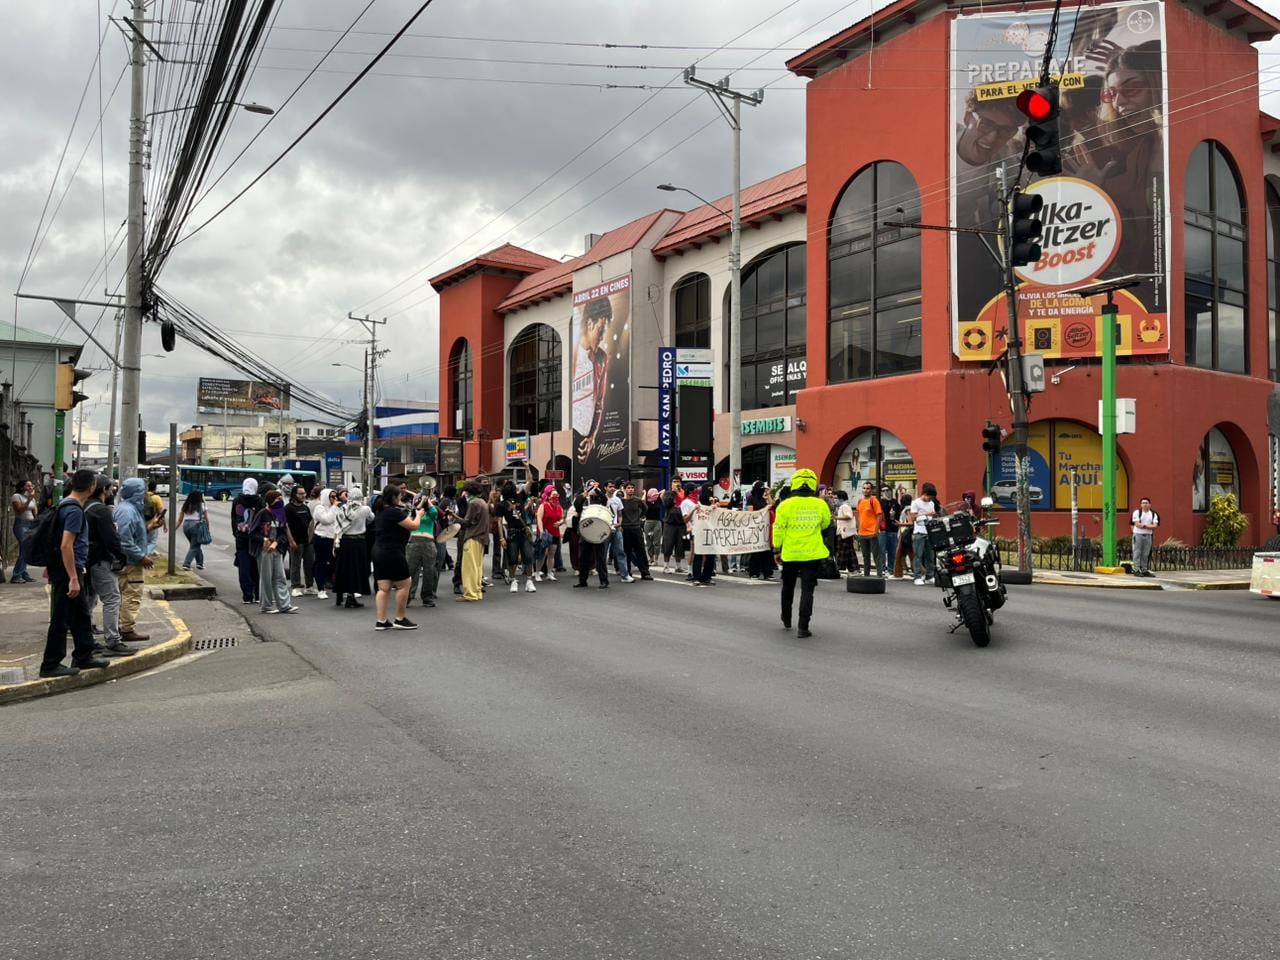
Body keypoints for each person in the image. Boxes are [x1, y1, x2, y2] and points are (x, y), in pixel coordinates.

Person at [38, 469, 109, 677]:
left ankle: (84, 655)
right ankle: (50, 664)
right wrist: (73, 578)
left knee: (80, 614)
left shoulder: (66, 505)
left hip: (68, 568)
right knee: (61, 617)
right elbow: (66, 546)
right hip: (67, 570)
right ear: (92, 487)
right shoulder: (74, 511)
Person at [772, 469, 832, 639]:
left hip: (790, 553)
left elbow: (778, 528)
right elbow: (825, 524)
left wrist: (777, 549)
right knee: (808, 589)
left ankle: (786, 618)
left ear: (795, 483)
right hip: (812, 554)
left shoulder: (785, 505)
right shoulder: (820, 504)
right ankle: (803, 627)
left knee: (788, 586)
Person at [83, 476, 133, 657]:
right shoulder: (101, 511)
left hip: (87, 561)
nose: (112, 492)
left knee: (89, 600)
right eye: (110, 488)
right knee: (112, 599)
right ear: (103, 489)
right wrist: (121, 558)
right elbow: (111, 539)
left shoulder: (86, 507)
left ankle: (86, 639)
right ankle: (113, 641)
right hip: (101, 561)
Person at [371, 485, 423, 630]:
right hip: (392, 551)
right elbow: (413, 526)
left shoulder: (381, 511)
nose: (401, 498)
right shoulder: (393, 512)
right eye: (399, 495)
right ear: (394, 497)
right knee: (405, 584)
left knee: (384, 587)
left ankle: (381, 621)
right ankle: (400, 618)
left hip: (378, 550)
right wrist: (419, 515)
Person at [113, 477, 154, 643]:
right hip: (131, 562)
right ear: (137, 493)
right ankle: (126, 629)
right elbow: (125, 541)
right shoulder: (128, 511)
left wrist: (150, 527)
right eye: (143, 491)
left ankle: (122, 625)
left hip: (128, 560)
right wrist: (141, 556)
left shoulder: (126, 508)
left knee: (125, 594)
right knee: (132, 594)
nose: (146, 494)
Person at [251, 488, 297, 615]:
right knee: (266, 577)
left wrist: (276, 543)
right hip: (264, 550)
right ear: (270, 501)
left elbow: (283, 532)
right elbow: (253, 532)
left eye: (281, 498)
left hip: (277, 549)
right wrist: (264, 540)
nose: (280, 501)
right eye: (277, 499)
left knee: (280, 577)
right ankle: (266, 605)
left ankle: (284, 605)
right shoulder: (262, 514)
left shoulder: (281, 514)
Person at [332, 487, 373, 609]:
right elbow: (372, 518)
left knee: (343, 568)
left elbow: (338, 525)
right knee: (356, 570)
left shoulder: (343, 509)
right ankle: (351, 597)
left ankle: (339, 595)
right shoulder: (365, 509)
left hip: (344, 542)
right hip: (358, 542)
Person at [405, 491, 441, 608]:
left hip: (428, 542)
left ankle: (427, 598)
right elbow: (412, 515)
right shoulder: (415, 512)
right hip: (414, 541)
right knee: (411, 571)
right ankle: (407, 597)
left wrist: (428, 501)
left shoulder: (431, 513)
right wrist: (420, 502)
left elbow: (435, 513)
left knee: (429, 571)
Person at [573, 480, 611, 589]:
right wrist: (586, 492)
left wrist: (597, 489)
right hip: (585, 532)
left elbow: (604, 499)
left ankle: (604, 581)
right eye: (590, 487)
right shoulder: (583, 499)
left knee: (600, 558)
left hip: (598, 531)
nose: (592, 489)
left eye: (593, 487)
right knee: (583, 558)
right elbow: (577, 505)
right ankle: (582, 580)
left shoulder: (600, 499)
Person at [456, 480, 490, 601]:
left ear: (468, 491)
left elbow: (466, 522)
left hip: (472, 537)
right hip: (481, 538)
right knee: (477, 567)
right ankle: (476, 592)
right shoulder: (483, 502)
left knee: (469, 568)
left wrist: (454, 517)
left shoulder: (474, 504)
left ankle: (470, 594)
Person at [231, 478, 262, 605]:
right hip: (256, 539)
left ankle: (247, 595)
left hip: (242, 538)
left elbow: (233, 518)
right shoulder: (259, 500)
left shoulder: (237, 500)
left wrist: (236, 533)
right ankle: (257, 594)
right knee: (256, 567)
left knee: (244, 567)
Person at [284, 484, 315, 597]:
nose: (303, 495)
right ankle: (296, 586)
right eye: (300, 494)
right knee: (295, 564)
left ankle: (309, 586)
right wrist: (291, 541)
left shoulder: (305, 507)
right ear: (294, 494)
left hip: (307, 541)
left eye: (304, 493)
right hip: (296, 541)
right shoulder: (288, 508)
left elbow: (311, 523)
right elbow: (286, 526)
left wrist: (311, 538)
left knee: (309, 563)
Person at [619, 481, 653, 581]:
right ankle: (628, 572)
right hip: (625, 528)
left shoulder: (638, 500)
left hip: (636, 528)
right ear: (624, 489)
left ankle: (645, 573)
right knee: (627, 552)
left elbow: (645, 509)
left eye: (632, 488)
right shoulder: (620, 501)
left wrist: (640, 517)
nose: (631, 490)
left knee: (641, 551)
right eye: (629, 488)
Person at [310, 488, 339, 601]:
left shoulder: (336, 508)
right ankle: (320, 588)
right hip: (321, 538)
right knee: (321, 563)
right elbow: (327, 520)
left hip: (334, 539)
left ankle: (336, 585)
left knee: (333, 564)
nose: (334, 499)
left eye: (335, 496)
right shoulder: (319, 508)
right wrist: (334, 508)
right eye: (332, 497)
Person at [909, 482, 940, 585]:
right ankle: (917, 576)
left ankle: (930, 575)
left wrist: (934, 516)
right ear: (925, 494)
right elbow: (913, 518)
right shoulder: (915, 503)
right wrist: (927, 514)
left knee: (930, 556)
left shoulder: (931, 504)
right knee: (918, 555)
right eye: (930, 497)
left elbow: (931, 516)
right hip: (919, 532)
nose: (930, 500)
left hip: (929, 532)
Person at [745, 481, 775, 580]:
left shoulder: (764, 498)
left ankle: (768, 572)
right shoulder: (751, 498)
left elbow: (772, 504)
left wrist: (768, 494)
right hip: (756, 528)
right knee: (756, 552)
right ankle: (754, 572)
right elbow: (751, 513)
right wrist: (764, 509)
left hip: (765, 528)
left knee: (767, 552)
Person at [855, 481, 886, 577]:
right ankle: (866, 576)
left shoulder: (874, 500)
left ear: (871, 490)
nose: (865, 490)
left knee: (876, 555)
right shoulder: (860, 501)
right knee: (865, 556)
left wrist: (876, 531)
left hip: (872, 533)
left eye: (868, 488)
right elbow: (859, 516)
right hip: (862, 533)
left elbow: (879, 516)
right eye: (864, 488)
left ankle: (879, 575)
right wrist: (858, 529)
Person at [9, 479, 38, 583]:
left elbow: (35, 513)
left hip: (30, 525)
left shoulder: (32, 498)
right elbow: (19, 510)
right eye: (28, 486)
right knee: (25, 548)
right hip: (21, 524)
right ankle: (16, 575)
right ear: (22, 487)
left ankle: (23, 573)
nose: (31, 488)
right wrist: (29, 500)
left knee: (26, 549)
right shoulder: (16, 496)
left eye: (32, 486)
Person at [688, 485, 716, 586]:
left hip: (710, 532)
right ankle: (696, 577)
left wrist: (714, 505)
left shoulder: (713, 504)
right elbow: (690, 518)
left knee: (711, 555)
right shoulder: (697, 504)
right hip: (699, 532)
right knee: (698, 554)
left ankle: (707, 577)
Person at [534, 485, 563, 583]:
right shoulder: (544, 505)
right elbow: (539, 518)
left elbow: (562, 518)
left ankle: (550, 573)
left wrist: (560, 523)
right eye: (553, 495)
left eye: (557, 494)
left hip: (555, 533)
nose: (556, 496)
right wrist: (541, 531)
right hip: (545, 533)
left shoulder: (559, 507)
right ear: (549, 496)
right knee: (543, 553)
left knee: (552, 553)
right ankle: (537, 572)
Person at [605, 480, 632, 582]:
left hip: (616, 529)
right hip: (605, 529)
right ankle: (603, 576)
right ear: (605, 488)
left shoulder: (617, 500)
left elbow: (620, 514)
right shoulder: (602, 499)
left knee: (620, 552)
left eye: (613, 487)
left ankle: (625, 575)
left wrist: (620, 523)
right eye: (610, 486)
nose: (612, 488)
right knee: (603, 553)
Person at [661, 480, 687, 574]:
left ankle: (678, 566)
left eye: (678, 482)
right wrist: (674, 492)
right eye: (674, 481)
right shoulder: (668, 493)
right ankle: (666, 566)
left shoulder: (685, 493)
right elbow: (666, 504)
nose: (677, 483)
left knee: (680, 545)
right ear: (671, 483)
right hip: (670, 523)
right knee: (668, 545)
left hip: (681, 523)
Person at [180, 490, 209, 571]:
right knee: (194, 546)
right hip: (196, 526)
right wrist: (208, 529)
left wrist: (174, 528)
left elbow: (180, 519)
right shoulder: (201, 506)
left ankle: (200, 563)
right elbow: (206, 518)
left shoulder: (185, 505)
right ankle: (186, 563)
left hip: (186, 526)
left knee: (195, 545)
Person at [1131, 497, 1160, 577]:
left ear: (1150, 505)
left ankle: (1144, 569)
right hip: (1138, 534)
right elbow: (1137, 524)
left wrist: (1144, 525)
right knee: (1137, 552)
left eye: (1146, 503)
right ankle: (1136, 569)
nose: (1145, 504)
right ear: (1141, 505)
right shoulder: (1137, 512)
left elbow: (1155, 526)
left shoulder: (1153, 514)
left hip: (1148, 535)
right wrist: (1148, 526)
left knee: (1145, 553)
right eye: (1143, 503)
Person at [878, 485, 899, 576]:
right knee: (882, 550)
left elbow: (899, 511)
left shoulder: (895, 502)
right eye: (883, 490)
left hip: (893, 528)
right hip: (883, 528)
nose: (885, 492)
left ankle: (891, 569)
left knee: (892, 550)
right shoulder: (880, 502)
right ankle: (882, 568)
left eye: (887, 490)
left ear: (891, 491)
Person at [834, 491, 857, 572]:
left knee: (842, 550)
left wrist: (837, 518)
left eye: (836, 498)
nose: (835, 499)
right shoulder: (843, 506)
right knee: (849, 551)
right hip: (846, 531)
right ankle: (853, 568)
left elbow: (849, 516)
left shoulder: (844, 506)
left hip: (844, 532)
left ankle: (840, 567)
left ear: (841, 498)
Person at [144, 480, 167, 556]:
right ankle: (145, 555)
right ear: (155, 488)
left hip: (142, 521)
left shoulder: (143, 496)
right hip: (153, 521)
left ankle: (144, 553)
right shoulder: (156, 498)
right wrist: (164, 525)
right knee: (153, 541)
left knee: (145, 539)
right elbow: (161, 512)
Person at [643, 487, 662, 562]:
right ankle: (651, 558)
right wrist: (645, 493)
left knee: (656, 541)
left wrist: (657, 494)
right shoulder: (646, 502)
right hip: (648, 522)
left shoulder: (658, 500)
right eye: (653, 495)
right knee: (649, 541)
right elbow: (642, 500)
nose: (655, 496)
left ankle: (656, 559)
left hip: (657, 522)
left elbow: (663, 491)